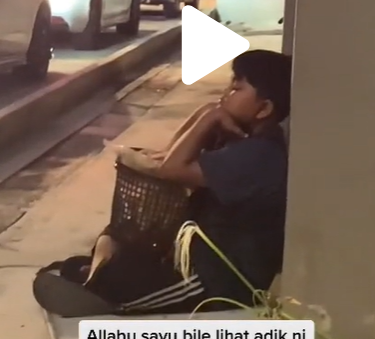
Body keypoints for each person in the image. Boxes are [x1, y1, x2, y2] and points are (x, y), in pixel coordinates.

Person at [33, 50, 291, 318]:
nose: (226, 94)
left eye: (237, 88)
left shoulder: (259, 156)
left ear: (264, 108)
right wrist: (206, 112)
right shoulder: (243, 140)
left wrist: (209, 118)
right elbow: (170, 154)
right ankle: (100, 274)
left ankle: (104, 286)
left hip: (215, 280)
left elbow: (170, 169)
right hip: (191, 257)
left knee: (115, 278)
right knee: (112, 238)